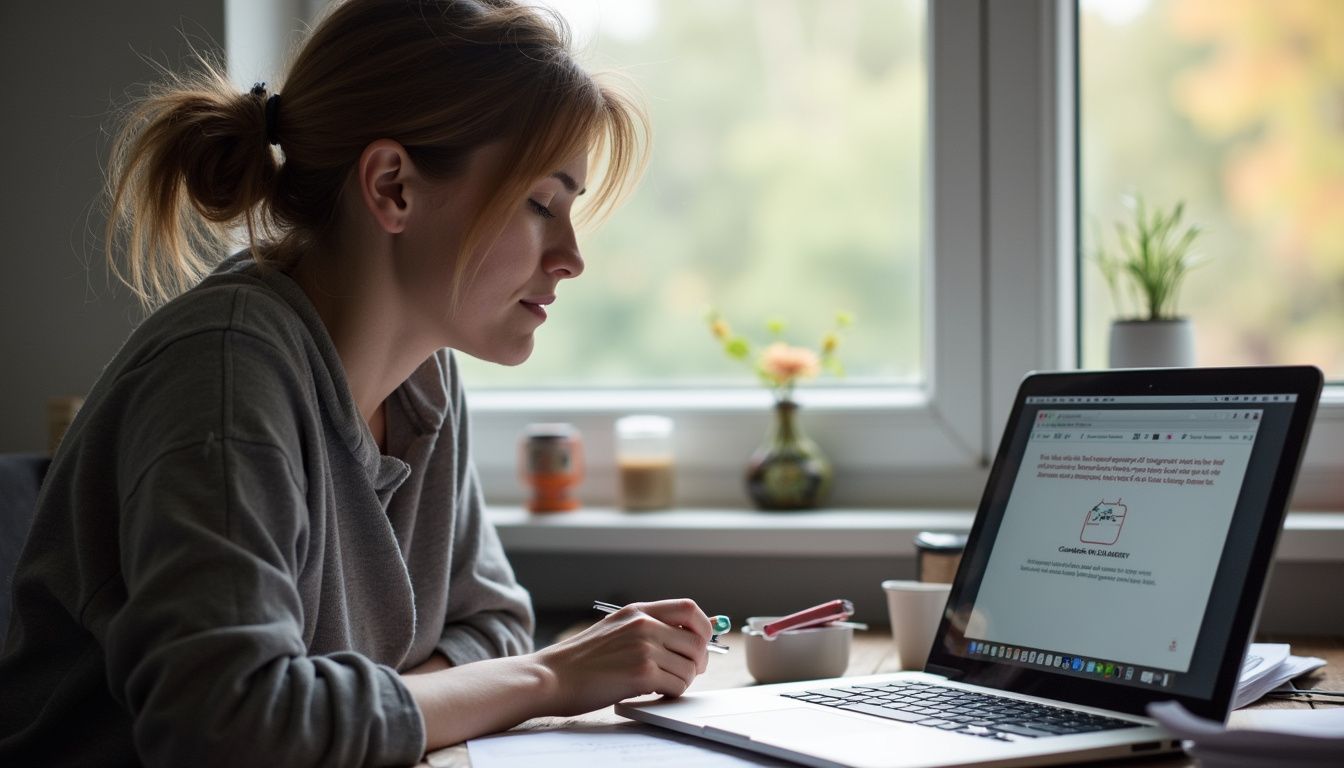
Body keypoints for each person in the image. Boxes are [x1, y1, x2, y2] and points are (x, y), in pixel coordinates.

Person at [0, 0, 714, 764]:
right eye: (542, 203)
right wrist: (546, 676)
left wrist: (349, 711)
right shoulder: (227, 373)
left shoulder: (423, 375)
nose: (571, 256)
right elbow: (229, 727)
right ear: (392, 187)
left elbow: (493, 622)